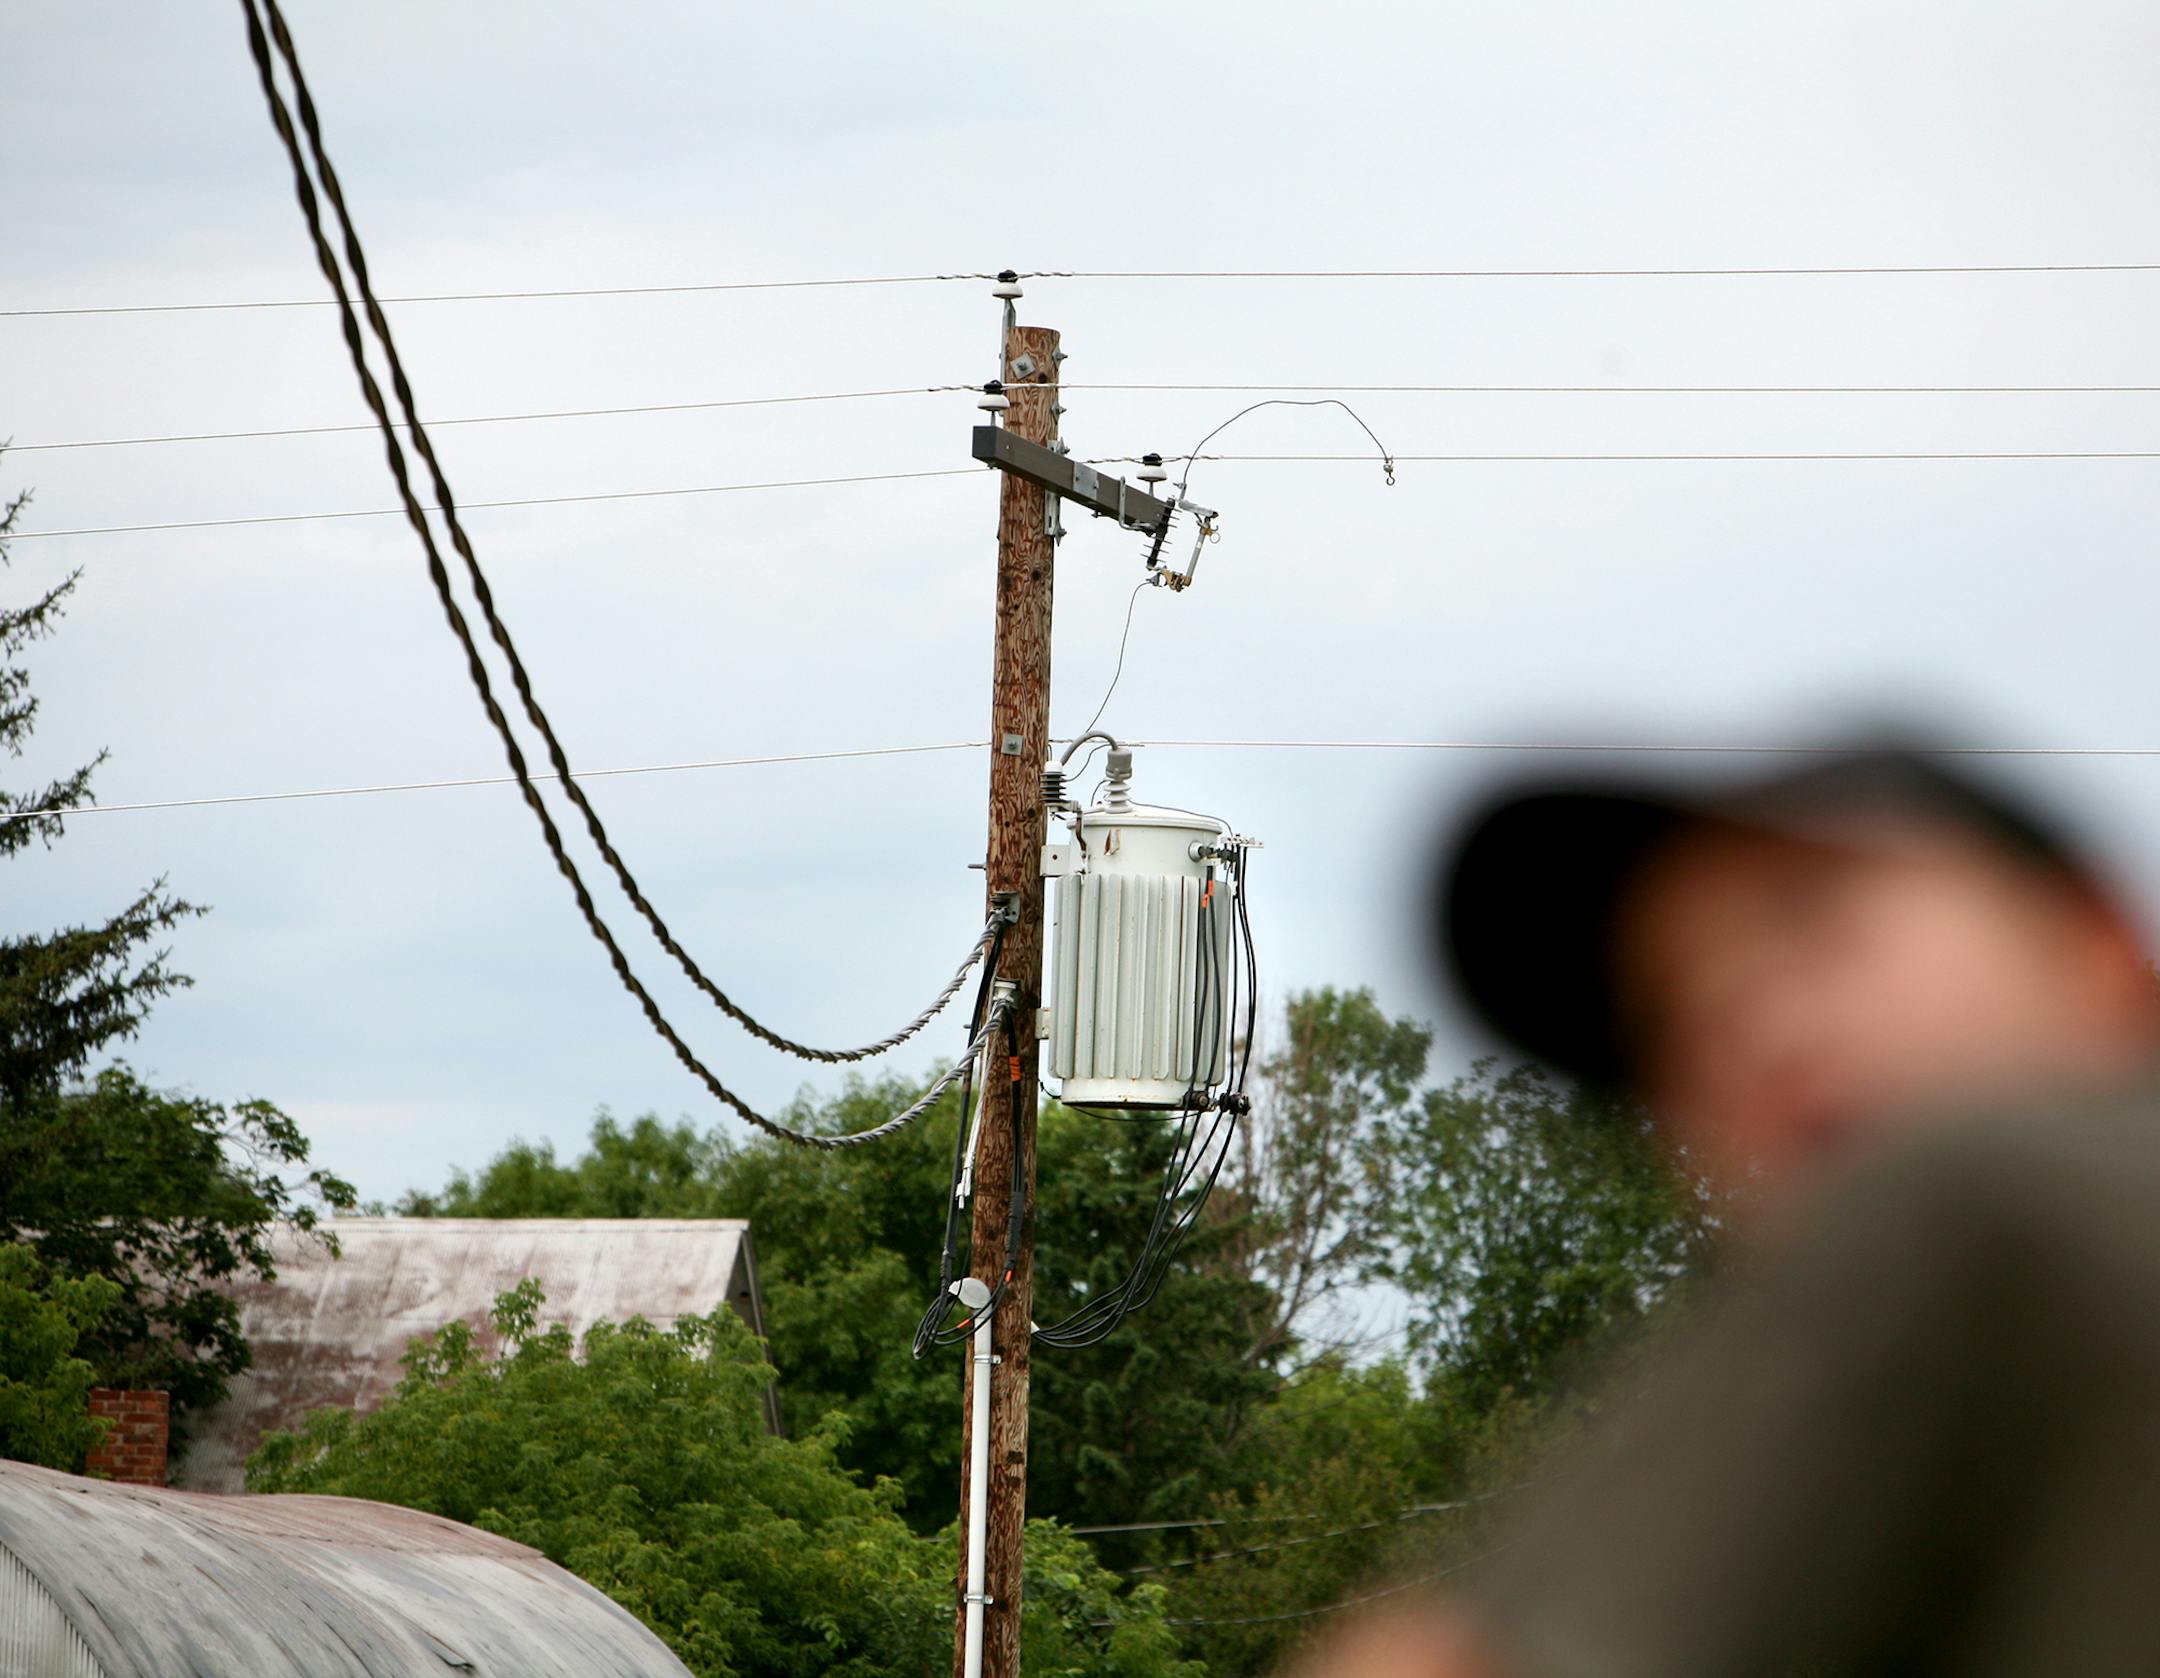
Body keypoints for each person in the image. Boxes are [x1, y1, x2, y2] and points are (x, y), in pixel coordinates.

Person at [1295, 745, 2160, 1678]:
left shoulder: (1962, 1198)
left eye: (1810, 918)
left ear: (2096, 938)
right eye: (1667, 1024)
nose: (1747, 1023)